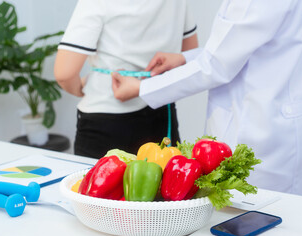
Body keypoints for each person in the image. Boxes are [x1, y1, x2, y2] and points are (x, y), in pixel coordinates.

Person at [111, 0, 302, 196]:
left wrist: (143, 88)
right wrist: (185, 58)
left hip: (261, 128)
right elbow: (237, 45)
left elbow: (217, 65)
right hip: (275, 117)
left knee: (260, 219)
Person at [54, 0, 198, 158]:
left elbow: (64, 74)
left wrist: (80, 88)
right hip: (161, 112)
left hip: (106, 118)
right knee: (163, 181)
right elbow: (188, 54)